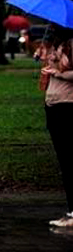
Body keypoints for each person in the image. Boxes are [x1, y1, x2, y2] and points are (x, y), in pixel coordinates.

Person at [40, 27, 73, 228]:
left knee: (69, 159)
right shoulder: (57, 45)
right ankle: (70, 210)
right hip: (53, 105)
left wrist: (56, 72)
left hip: (67, 106)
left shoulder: (71, 45)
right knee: (64, 160)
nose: (50, 26)